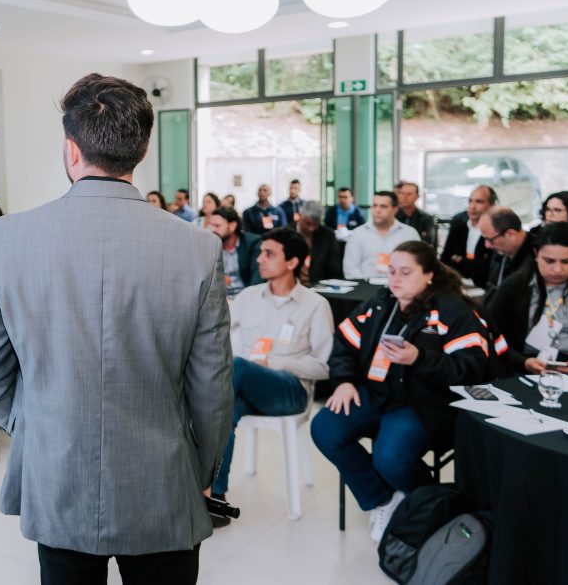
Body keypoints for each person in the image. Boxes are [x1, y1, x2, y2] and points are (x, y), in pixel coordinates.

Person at [0, 74, 233, 584]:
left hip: (56, 472)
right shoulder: (198, 246)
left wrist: (38, 423)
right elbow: (212, 388)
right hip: (162, 477)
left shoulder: (5, 239)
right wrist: (201, 471)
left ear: (71, 149)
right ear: (142, 150)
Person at [311, 241, 492, 544]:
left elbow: (470, 368)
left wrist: (419, 358)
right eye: (392, 271)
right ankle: (384, 498)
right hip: (375, 392)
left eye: (405, 273)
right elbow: (343, 343)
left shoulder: (452, 310)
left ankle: (428, 506)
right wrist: (343, 381)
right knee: (325, 428)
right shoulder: (381, 302)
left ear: (429, 275)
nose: (395, 280)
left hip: (422, 402)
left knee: (391, 457)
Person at [210, 228, 334, 521]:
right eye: (260, 252)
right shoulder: (248, 297)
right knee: (225, 409)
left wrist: (274, 363)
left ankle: (201, 486)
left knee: (237, 369)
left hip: (290, 391)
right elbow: (219, 337)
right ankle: (215, 497)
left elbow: (324, 366)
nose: (259, 259)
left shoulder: (316, 305)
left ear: (292, 262)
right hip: (247, 387)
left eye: (269, 254)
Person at [488, 222, 568, 376]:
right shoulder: (513, 287)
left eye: (566, 262)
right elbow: (490, 335)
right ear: (536, 254)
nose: (557, 269)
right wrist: (522, 362)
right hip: (524, 367)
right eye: (549, 261)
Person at [343, 191, 420, 279]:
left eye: (383, 206)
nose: (377, 210)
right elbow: (350, 267)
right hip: (364, 284)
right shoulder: (358, 233)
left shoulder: (409, 234)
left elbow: (417, 265)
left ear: (395, 209)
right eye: (374, 206)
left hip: (400, 285)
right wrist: (363, 285)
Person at [440, 185, 496, 288]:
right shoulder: (458, 228)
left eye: (479, 201)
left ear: (491, 206)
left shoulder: (495, 231)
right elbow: (445, 260)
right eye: (470, 201)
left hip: (484, 288)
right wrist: (476, 263)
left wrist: (461, 260)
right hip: (457, 286)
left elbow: (490, 267)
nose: (472, 206)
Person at [209, 206, 263, 297]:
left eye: (217, 226)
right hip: (219, 299)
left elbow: (257, 279)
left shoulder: (252, 243)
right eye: (211, 225)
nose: (213, 230)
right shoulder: (211, 245)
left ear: (232, 226)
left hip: (245, 297)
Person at [480, 206, 532, 296]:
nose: (487, 245)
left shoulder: (536, 259)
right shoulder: (500, 254)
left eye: (490, 240)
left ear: (510, 234)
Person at [297, 200, 342, 285]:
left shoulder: (328, 235)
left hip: (321, 285)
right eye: (307, 223)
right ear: (300, 216)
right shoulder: (286, 234)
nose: (311, 228)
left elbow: (334, 268)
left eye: (316, 224)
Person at [394, 181, 437, 246]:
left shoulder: (426, 219)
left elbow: (429, 242)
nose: (405, 197)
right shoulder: (392, 216)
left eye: (409, 194)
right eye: (402, 193)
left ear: (417, 196)